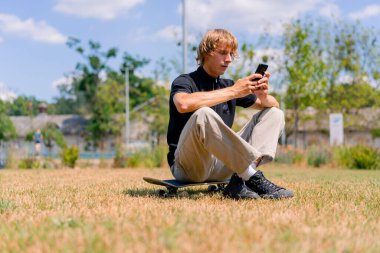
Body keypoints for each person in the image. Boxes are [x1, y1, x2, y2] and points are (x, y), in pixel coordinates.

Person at [166, 29, 293, 200]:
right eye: (223, 53)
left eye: (231, 54)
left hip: (224, 164)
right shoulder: (185, 81)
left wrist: (262, 97)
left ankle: (240, 178)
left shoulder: (228, 84)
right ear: (206, 53)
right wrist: (233, 92)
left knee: (275, 114)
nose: (229, 59)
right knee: (203, 114)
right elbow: (183, 104)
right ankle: (253, 177)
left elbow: (273, 106)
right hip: (190, 166)